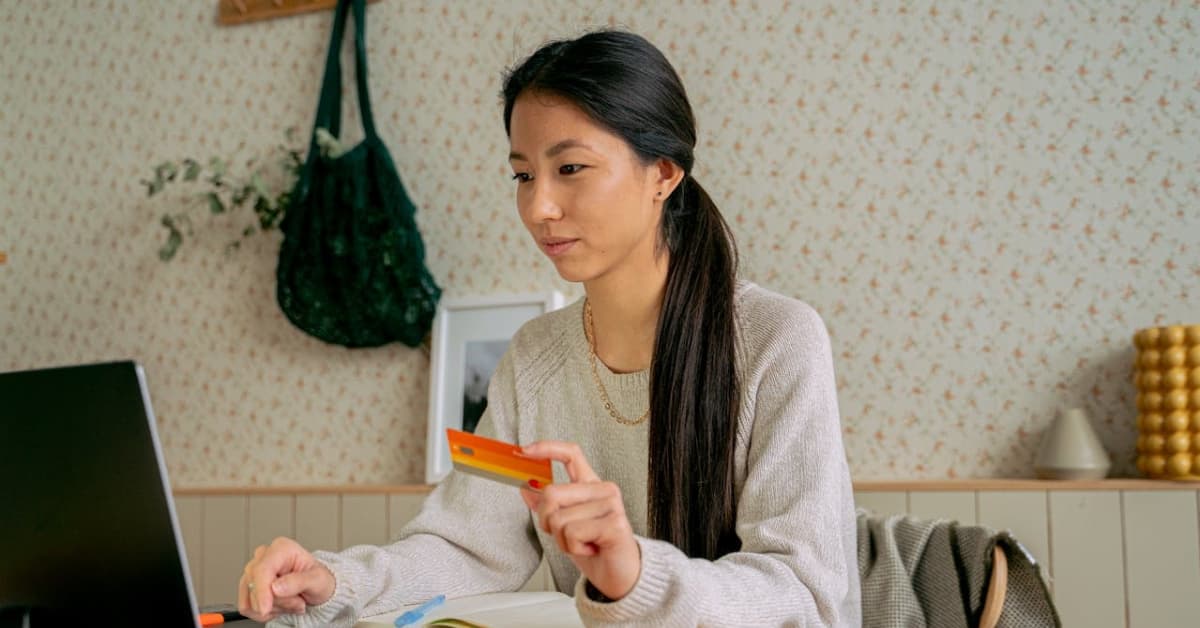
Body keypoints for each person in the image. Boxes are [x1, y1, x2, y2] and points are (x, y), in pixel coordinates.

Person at [238, 30, 861, 627]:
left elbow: (806, 598)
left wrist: (636, 574)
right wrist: (334, 581)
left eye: (571, 169)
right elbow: (470, 549)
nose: (539, 208)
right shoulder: (535, 357)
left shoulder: (778, 340)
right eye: (524, 174)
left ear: (663, 174)